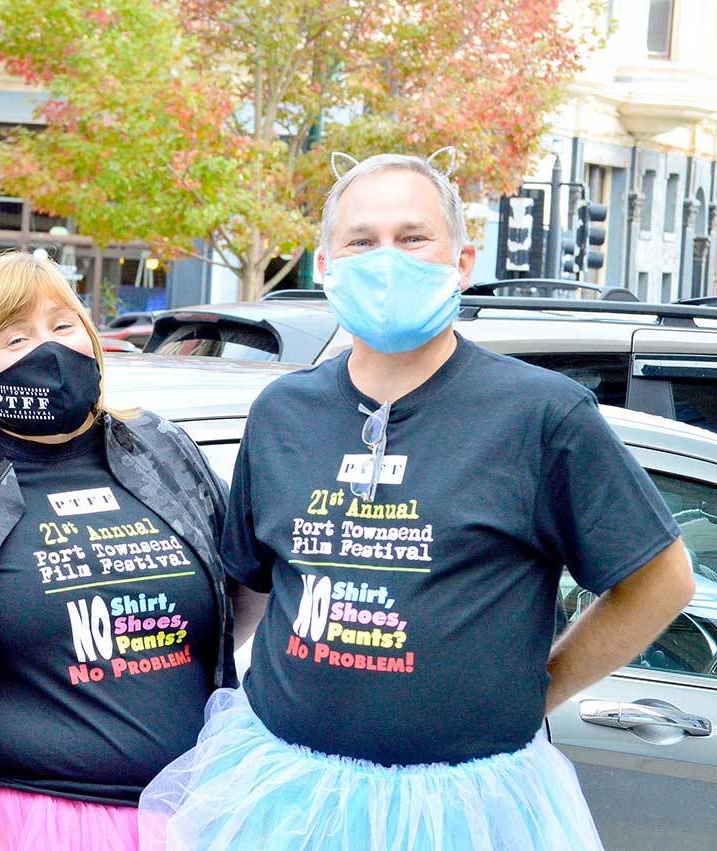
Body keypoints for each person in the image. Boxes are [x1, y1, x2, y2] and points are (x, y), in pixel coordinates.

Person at [139, 153, 695, 850]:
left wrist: (538, 689)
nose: (386, 260)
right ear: (325, 263)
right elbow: (250, 584)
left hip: (466, 809)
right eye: (361, 241)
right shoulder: (283, 411)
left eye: (412, 237)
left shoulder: (542, 415)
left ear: (461, 261)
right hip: (281, 798)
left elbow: (662, 580)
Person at [0, 250, 264, 851]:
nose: (49, 349)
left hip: (183, 815)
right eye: (15, 337)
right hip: (5, 822)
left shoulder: (163, 452)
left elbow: (246, 581)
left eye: (63, 326)